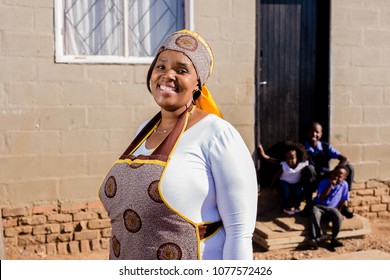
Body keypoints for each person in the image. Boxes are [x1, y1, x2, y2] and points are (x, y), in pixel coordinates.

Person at [99, 30, 258, 260]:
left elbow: (239, 233)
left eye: (181, 70)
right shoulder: (143, 131)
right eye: (160, 67)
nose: (167, 75)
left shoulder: (218, 135)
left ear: (197, 84)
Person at [301, 121, 354, 216]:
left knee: (349, 168)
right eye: (312, 131)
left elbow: (345, 159)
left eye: (317, 132)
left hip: (325, 176)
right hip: (311, 179)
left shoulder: (325, 147)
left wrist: (336, 171)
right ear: (308, 133)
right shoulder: (302, 148)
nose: (314, 134)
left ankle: (343, 205)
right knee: (309, 168)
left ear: (321, 134)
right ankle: (308, 204)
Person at [258, 141, 309, 215]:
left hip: (296, 182)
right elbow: (275, 171)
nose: (289, 160)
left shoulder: (301, 165)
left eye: (292, 158)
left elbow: (308, 171)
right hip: (285, 182)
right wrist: (262, 152)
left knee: (299, 191)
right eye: (287, 158)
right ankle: (286, 207)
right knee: (286, 192)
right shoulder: (284, 165)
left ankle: (297, 206)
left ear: (297, 158)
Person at [308, 165, 350, 250]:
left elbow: (343, 200)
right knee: (315, 213)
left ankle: (334, 239)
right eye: (335, 174)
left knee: (338, 216)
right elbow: (321, 198)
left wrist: (339, 212)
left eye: (339, 176)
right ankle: (316, 238)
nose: (336, 177)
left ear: (344, 178)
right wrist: (330, 186)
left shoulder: (345, 185)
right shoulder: (324, 182)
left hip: (332, 208)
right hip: (319, 206)